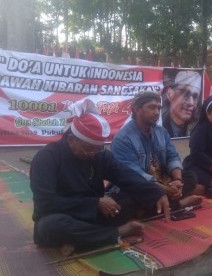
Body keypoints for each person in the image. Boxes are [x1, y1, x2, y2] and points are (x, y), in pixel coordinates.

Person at [30, 99, 169, 256]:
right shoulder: (47, 157)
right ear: (71, 140)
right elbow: (46, 203)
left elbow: (126, 175)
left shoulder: (99, 155)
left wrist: (156, 192)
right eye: (88, 149)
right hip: (62, 215)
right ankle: (115, 233)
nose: (93, 154)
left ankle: (81, 240)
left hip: (94, 216)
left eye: (97, 149)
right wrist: (94, 203)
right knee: (50, 226)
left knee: (132, 196)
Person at [110, 92, 202, 209]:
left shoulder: (161, 132)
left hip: (162, 180)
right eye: (152, 107)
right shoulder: (123, 139)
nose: (157, 112)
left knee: (189, 176)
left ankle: (165, 201)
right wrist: (165, 189)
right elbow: (133, 175)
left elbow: (172, 156)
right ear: (137, 109)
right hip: (141, 183)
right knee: (129, 198)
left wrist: (178, 180)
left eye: (159, 108)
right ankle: (178, 204)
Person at [161, 68, 202, 138]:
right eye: (185, 94)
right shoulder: (158, 128)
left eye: (195, 97)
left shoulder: (198, 129)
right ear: (170, 93)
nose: (191, 103)